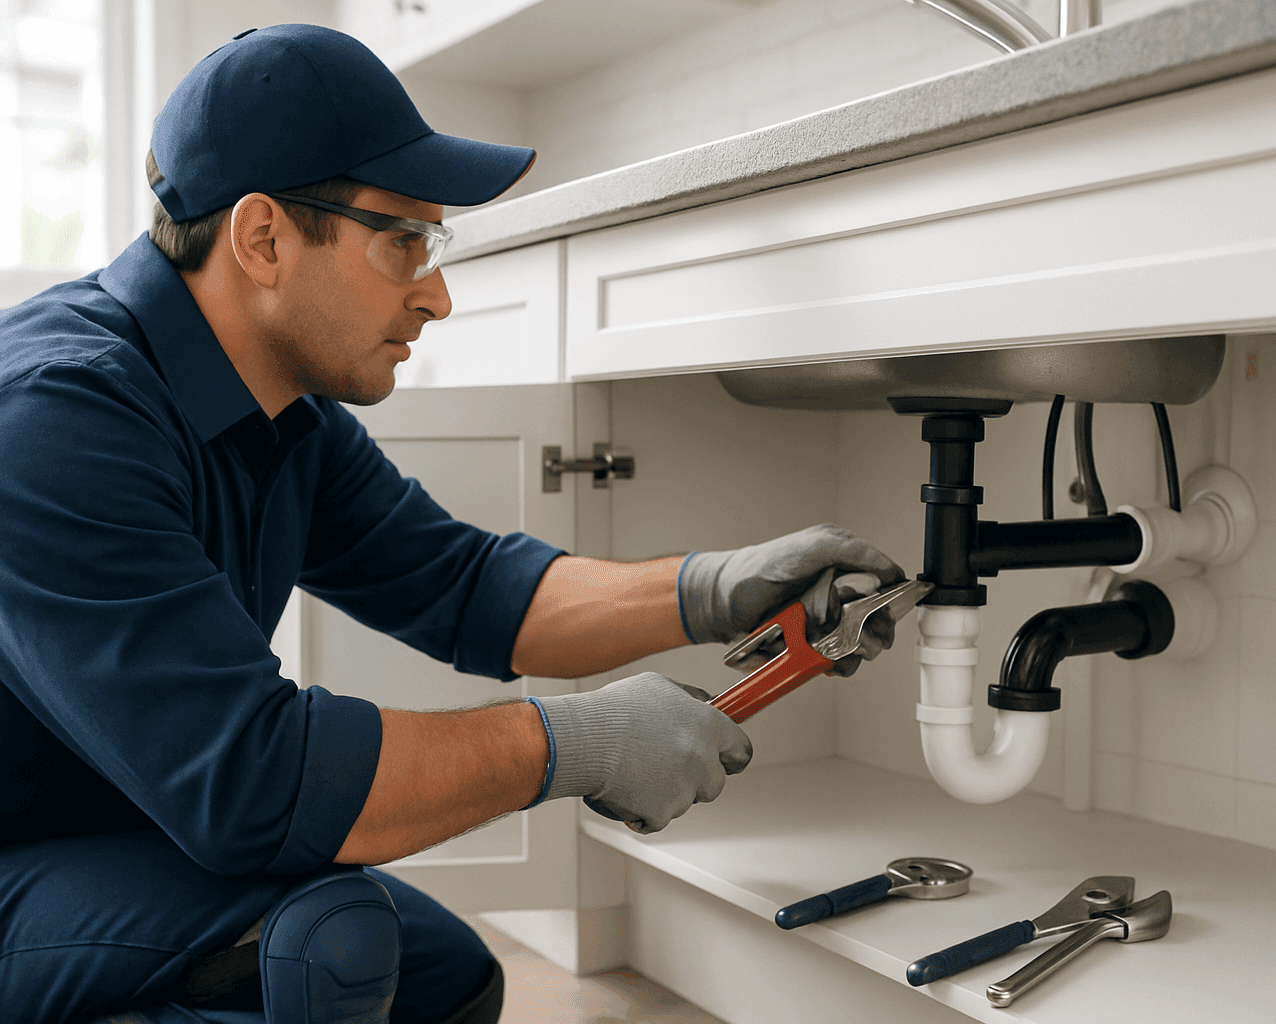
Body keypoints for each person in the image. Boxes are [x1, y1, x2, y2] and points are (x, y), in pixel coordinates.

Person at [0, 24, 905, 1024]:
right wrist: (578, 742)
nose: (435, 293)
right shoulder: (54, 420)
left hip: (121, 822)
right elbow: (252, 784)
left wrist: (712, 588)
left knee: (449, 977)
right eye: (402, 242)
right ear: (263, 239)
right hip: (20, 857)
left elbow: (470, 589)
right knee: (325, 941)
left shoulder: (281, 414)